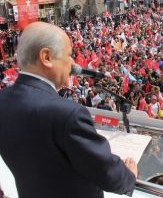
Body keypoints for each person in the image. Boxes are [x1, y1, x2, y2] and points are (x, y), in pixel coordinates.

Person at [0, 22, 137, 198]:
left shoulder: (3, 100)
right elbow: (106, 173)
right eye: (69, 55)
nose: (73, 63)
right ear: (46, 57)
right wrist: (129, 176)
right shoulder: (67, 114)